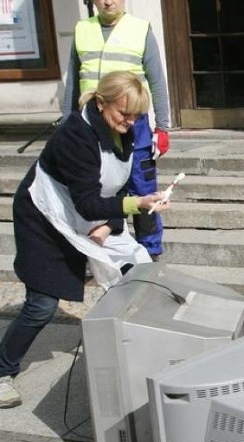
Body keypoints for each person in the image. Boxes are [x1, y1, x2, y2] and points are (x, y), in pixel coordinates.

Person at [0, 70, 171, 409]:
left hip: (89, 212)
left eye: (137, 116)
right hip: (44, 216)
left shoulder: (123, 131)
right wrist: (134, 207)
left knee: (139, 273)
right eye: (124, 114)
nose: (131, 122)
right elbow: (88, 200)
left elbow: (117, 186)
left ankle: (148, 353)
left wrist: (115, 219)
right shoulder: (75, 135)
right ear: (102, 103)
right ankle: (1, 373)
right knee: (42, 305)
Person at [62, 0, 171, 259]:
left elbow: (156, 81)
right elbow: (73, 83)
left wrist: (163, 127)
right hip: (93, 123)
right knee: (98, 188)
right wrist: (68, 123)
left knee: (142, 188)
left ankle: (150, 252)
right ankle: (100, 247)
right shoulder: (81, 29)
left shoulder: (140, 28)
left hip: (135, 123)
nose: (108, 1)